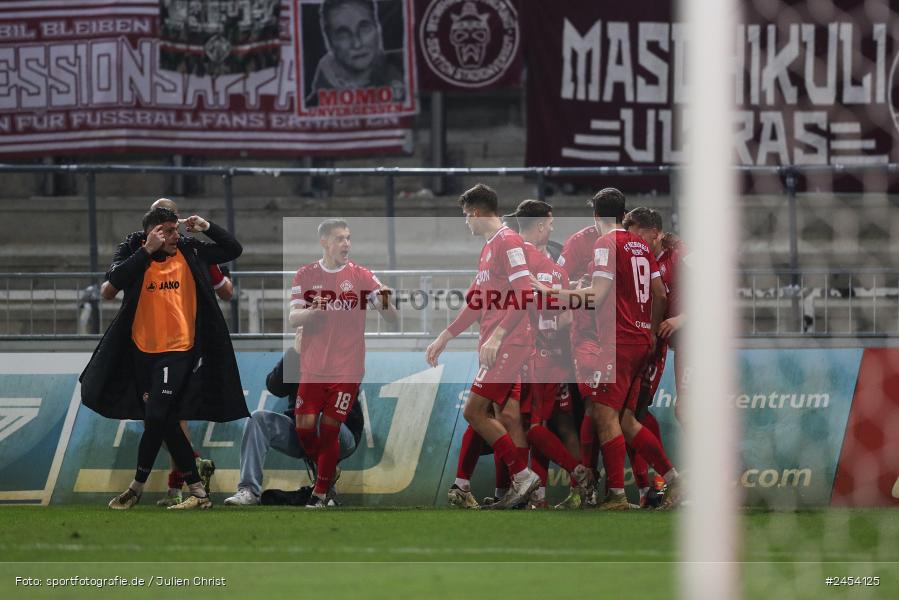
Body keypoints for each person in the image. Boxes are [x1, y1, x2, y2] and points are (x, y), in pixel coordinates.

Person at [80, 207, 247, 510]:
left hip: (180, 349)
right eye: (168, 230)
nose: (176, 235)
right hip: (142, 350)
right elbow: (112, 285)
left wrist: (207, 226)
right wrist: (146, 251)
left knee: (156, 416)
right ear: (152, 232)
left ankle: (136, 487)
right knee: (166, 420)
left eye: (176, 229)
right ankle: (198, 493)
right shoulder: (136, 254)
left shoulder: (190, 250)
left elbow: (233, 249)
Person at [533, 188, 681, 510]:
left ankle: (616, 495)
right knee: (626, 419)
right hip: (642, 341)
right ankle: (671, 479)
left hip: (618, 342)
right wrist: (650, 330)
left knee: (601, 413)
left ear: (596, 216)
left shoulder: (604, 243)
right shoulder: (641, 244)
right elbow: (659, 293)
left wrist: (551, 294)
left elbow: (596, 295)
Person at [425, 184, 541, 511]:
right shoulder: (490, 247)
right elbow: (477, 302)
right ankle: (487, 485)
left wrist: (500, 334)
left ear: (476, 212)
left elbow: (524, 294)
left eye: (466, 216)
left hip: (510, 342)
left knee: (474, 411)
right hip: (496, 342)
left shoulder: (509, 242)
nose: (466, 222)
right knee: (493, 415)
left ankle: (522, 477)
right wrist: (445, 336)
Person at [287, 218, 397, 508]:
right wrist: (312, 311)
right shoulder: (305, 274)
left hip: (347, 366)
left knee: (331, 428)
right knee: (304, 428)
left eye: (348, 238)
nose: (346, 244)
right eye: (340, 239)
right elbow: (293, 317)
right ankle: (328, 469)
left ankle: (320, 493)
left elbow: (391, 316)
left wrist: (386, 301)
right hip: (313, 364)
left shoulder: (361, 275)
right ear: (324, 242)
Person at [512, 199, 593, 509]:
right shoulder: (554, 268)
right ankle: (553, 493)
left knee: (531, 427)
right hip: (558, 356)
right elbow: (568, 316)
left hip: (531, 357)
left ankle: (569, 478)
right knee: (557, 425)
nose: (554, 226)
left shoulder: (514, 258)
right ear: (542, 225)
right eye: (550, 221)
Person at [224, 333, 363, 506]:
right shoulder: (299, 355)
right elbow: (275, 387)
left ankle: (325, 487)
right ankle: (248, 490)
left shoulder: (339, 353)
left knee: (321, 420)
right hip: (300, 426)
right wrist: (295, 352)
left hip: (342, 431)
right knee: (258, 419)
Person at [624, 207, 689, 506]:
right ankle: (651, 489)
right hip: (659, 342)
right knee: (635, 411)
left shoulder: (683, 254)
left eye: (637, 233)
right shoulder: (644, 258)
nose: (632, 239)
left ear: (654, 232)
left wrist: (681, 318)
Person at [305, 0, 405, 106]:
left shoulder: (405, 68)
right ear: (329, 41)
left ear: (377, 28)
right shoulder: (313, 107)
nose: (357, 44)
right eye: (343, 35)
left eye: (364, 28)